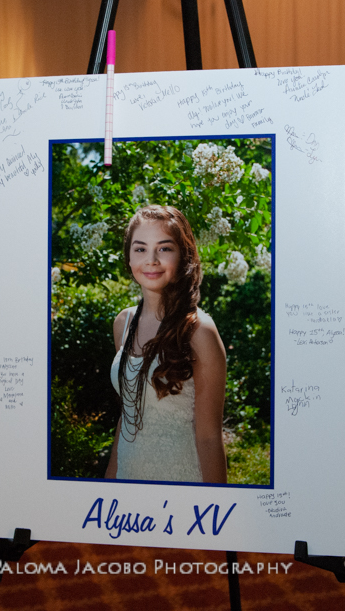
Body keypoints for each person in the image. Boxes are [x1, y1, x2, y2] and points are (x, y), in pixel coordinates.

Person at [104, 205, 228, 484]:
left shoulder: (200, 332)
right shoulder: (123, 323)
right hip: (129, 481)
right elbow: (128, 417)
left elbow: (209, 437)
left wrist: (215, 509)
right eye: (140, 249)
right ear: (128, 257)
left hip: (182, 486)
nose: (151, 260)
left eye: (164, 248)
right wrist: (110, 484)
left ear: (184, 255)